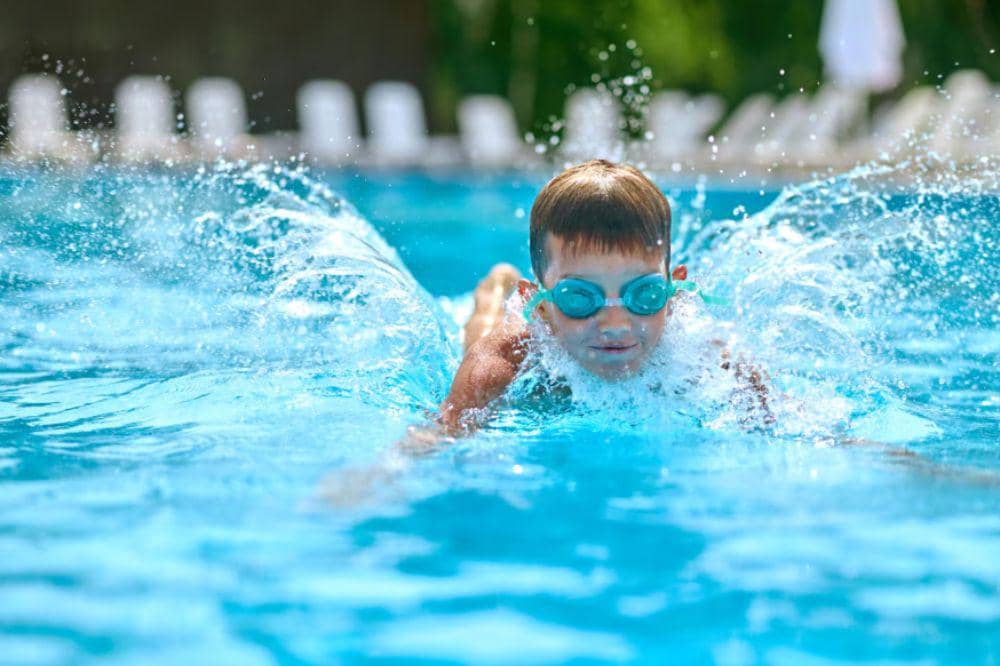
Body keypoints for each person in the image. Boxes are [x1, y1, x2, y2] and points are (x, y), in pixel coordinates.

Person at [429, 158, 771, 441]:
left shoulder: (708, 353)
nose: (615, 325)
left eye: (645, 294)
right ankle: (496, 286)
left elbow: (782, 422)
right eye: (579, 297)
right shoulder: (508, 356)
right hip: (515, 333)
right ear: (542, 305)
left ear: (672, 293)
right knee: (482, 328)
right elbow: (437, 435)